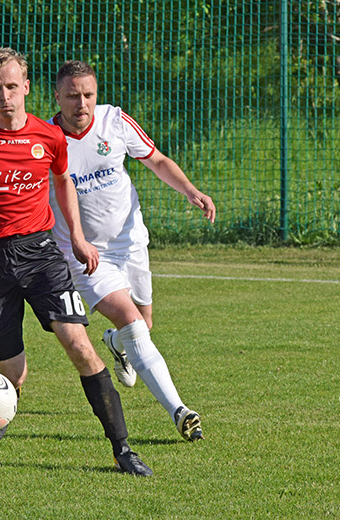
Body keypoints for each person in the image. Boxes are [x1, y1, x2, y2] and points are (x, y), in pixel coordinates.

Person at [0, 48, 152, 476]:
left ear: (26, 88)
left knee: (79, 344)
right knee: (13, 369)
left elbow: (63, 179)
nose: (4, 96)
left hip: (41, 253)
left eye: (12, 87)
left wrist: (80, 238)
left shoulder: (48, 137)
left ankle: (123, 450)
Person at [48, 60, 216, 442]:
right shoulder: (45, 140)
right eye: (72, 95)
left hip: (132, 243)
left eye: (88, 94)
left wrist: (191, 190)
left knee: (144, 324)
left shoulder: (116, 121)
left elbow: (155, 159)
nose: (81, 104)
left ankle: (115, 344)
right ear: (56, 96)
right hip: (86, 256)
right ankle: (180, 411)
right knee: (132, 322)